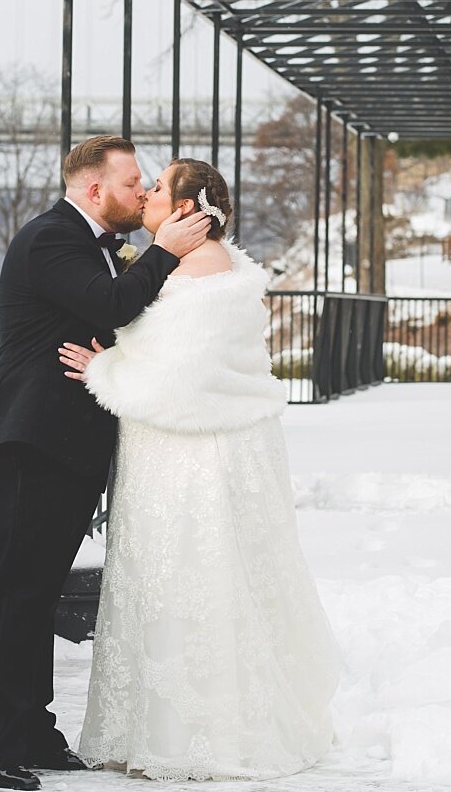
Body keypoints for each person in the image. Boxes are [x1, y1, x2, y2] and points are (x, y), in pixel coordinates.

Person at [56, 158, 340, 780]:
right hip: (181, 450)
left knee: (187, 579)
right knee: (171, 582)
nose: (148, 194)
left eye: (158, 188)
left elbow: (182, 379)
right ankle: (161, 731)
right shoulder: (211, 265)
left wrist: (104, 370)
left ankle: (189, 738)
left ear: (185, 210)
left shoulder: (200, 271)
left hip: (189, 457)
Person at [0, 136, 210, 791]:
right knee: (16, 597)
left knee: (38, 596)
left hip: (64, 449)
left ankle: (34, 732)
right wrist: (164, 253)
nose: (142, 192)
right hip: (28, 446)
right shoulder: (51, 238)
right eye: (133, 183)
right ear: (96, 190)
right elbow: (110, 306)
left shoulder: (94, 246)